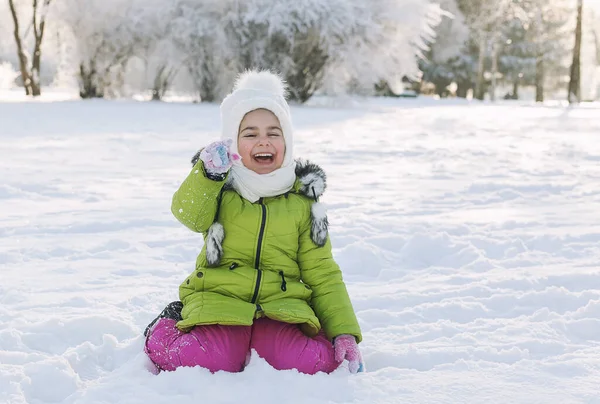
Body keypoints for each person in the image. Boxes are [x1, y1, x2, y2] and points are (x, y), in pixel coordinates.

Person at [144, 70, 363, 375]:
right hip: (220, 298)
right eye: (250, 134)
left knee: (310, 363)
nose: (264, 141)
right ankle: (165, 325)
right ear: (233, 142)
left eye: (274, 132)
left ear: (287, 140)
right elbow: (189, 214)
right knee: (208, 361)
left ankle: (286, 340)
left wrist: (343, 330)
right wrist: (207, 176)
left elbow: (322, 272)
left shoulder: (304, 201)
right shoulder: (220, 188)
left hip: (281, 306)